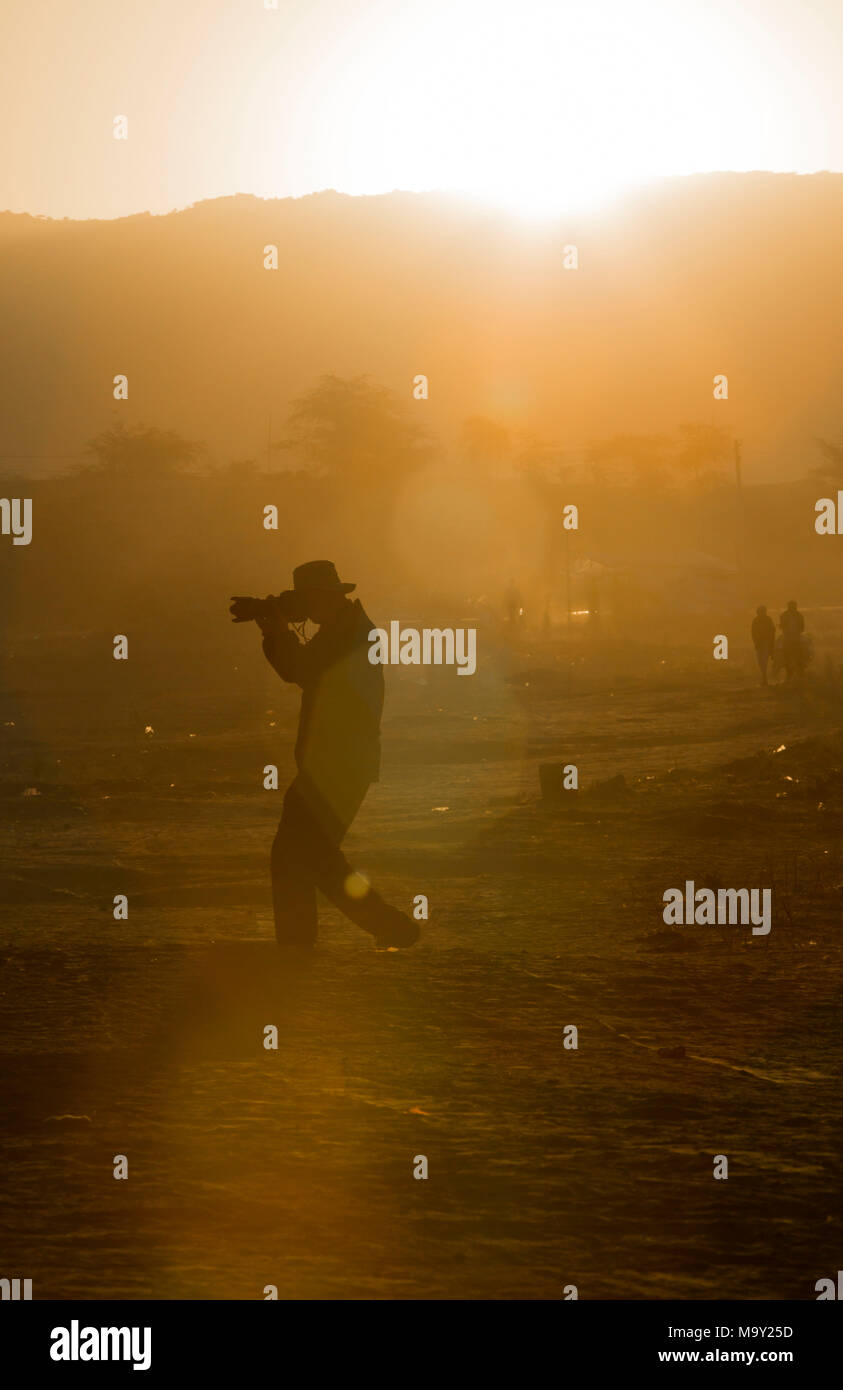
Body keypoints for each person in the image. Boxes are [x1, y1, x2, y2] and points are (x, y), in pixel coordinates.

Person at [230, 561, 419, 950]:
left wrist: (274, 628)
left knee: (297, 854)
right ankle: (380, 929)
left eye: (307, 600)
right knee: (310, 855)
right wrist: (274, 623)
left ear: (324, 597)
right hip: (339, 762)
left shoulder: (347, 635)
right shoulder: (347, 629)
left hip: (338, 763)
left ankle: (368, 931)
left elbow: (298, 669)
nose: (306, 610)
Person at [779, 600, 806, 680]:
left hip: (796, 638)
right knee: (787, 656)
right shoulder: (785, 615)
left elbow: (802, 626)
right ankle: (789, 674)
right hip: (788, 638)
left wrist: (798, 632)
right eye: (791, 606)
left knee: (799, 656)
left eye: (794, 606)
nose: (793, 607)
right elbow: (782, 626)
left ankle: (800, 673)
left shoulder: (798, 615)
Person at [751, 604, 776, 686]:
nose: (762, 613)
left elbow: (772, 631)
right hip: (759, 644)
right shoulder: (756, 621)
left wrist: (771, 642)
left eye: (763, 611)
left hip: (766, 643)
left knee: (764, 660)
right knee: (760, 661)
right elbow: (753, 633)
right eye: (760, 611)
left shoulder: (768, 620)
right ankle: (764, 677)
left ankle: (764, 677)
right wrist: (756, 642)